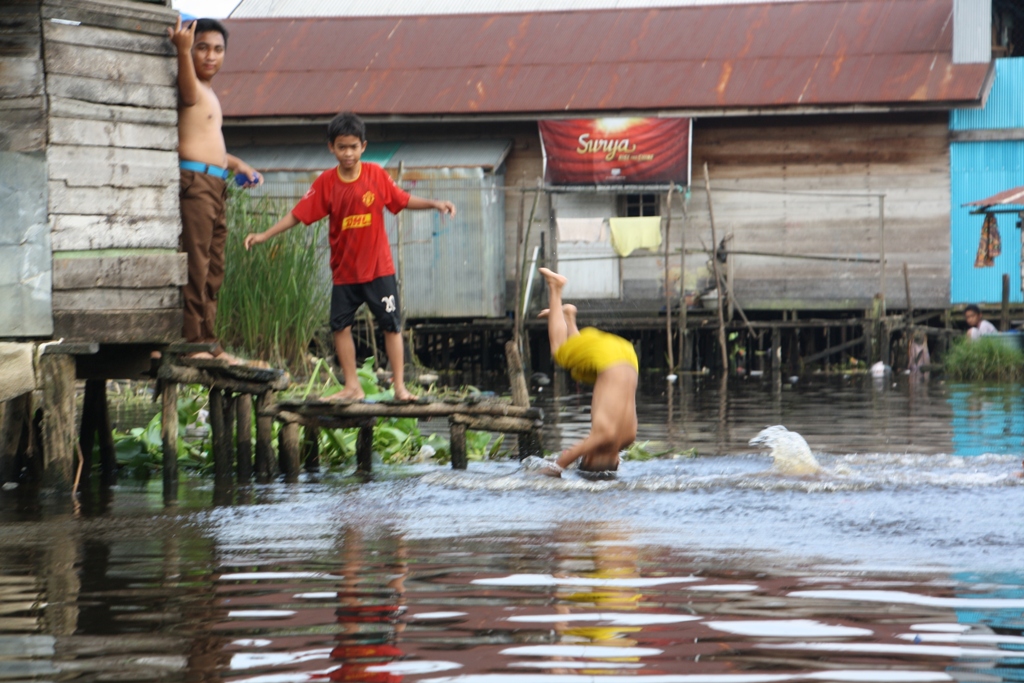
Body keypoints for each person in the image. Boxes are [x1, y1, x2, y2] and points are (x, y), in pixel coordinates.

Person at [244, 112, 456, 402]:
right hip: (345, 272)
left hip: (379, 270)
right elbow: (298, 214)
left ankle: (400, 388)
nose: (348, 153)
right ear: (331, 147)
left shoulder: (376, 176)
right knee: (339, 327)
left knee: (391, 326)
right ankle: (352, 387)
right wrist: (265, 235)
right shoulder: (326, 183)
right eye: (342, 147)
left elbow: (403, 200)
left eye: (353, 147)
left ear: (363, 147)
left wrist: (435, 203)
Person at [169, 16, 262, 362]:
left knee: (214, 266)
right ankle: (193, 341)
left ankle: (209, 340)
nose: (211, 56)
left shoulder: (210, 91)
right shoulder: (190, 84)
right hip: (195, 184)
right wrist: (181, 49)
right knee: (196, 263)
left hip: (216, 183)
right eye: (202, 48)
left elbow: (210, 142)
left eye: (218, 50)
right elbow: (188, 93)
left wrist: (237, 164)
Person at [536, 267, 638, 476]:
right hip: (608, 357)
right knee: (559, 353)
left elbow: (613, 458)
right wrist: (550, 470)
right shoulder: (603, 436)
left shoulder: (628, 438)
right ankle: (556, 288)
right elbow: (561, 463)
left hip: (628, 358)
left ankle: (568, 317)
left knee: (579, 369)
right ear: (590, 457)